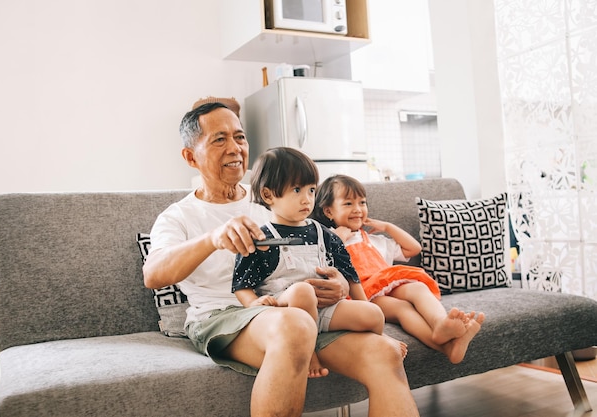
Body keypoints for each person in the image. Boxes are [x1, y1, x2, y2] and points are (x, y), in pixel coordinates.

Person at [142, 101, 420, 417]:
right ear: (191, 156)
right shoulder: (178, 216)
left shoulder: (272, 198)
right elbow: (154, 274)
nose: (235, 148)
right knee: (295, 324)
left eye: (240, 137)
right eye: (220, 139)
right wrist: (212, 239)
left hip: (300, 311)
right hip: (223, 316)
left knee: (384, 353)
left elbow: (328, 250)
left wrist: (339, 285)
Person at [232, 147, 388, 378]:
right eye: (297, 190)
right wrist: (254, 303)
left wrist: (366, 307)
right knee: (303, 291)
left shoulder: (326, 234)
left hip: (324, 308)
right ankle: (310, 350)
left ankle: (368, 345)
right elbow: (242, 283)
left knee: (373, 315)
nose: (307, 199)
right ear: (268, 195)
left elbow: (350, 274)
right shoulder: (260, 238)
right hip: (285, 308)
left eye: (311, 190)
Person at [312, 174, 486, 364]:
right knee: (402, 308)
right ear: (329, 211)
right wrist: (338, 240)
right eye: (348, 204)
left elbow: (413, 248)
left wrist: (388, 227)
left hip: (388, 285)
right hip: (364, 295)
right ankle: (447, 347)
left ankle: (440, 325)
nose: (358, 209)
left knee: (418, 288)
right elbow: (323, 267)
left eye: (362, 203)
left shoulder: (374, 239)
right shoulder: (327, 241)